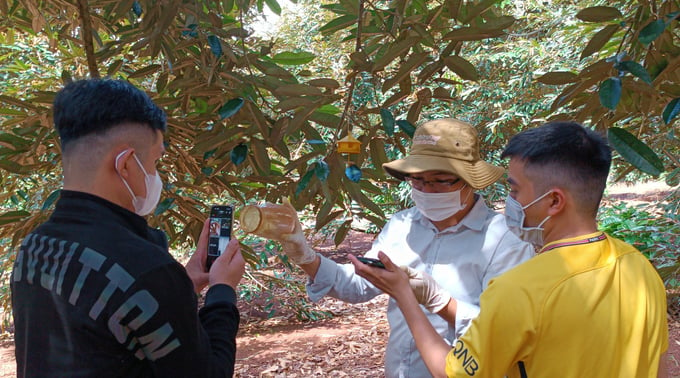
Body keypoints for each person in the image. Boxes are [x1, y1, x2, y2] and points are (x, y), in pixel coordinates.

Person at [352, 121, 669, 377]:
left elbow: (452, 373)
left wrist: (406, 296)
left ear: (554, 201)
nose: (511, 202)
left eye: (514, 189)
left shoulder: (519, 289)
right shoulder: (640, 269)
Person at [11, 79, 246, 377]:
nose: (155, 175)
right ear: (125, 164)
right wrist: (223, 291)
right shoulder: (147, 269)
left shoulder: (36, 247)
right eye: (156, 161)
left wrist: (181, 285)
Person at [273, 118, 535, 377]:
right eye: (417, 180)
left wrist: (439, 301)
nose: (426, 189)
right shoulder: (403, 224)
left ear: (469, 181)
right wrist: (303, 254)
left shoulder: (503, 239)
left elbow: (500, 330)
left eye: (440, 180)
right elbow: (360, 283)